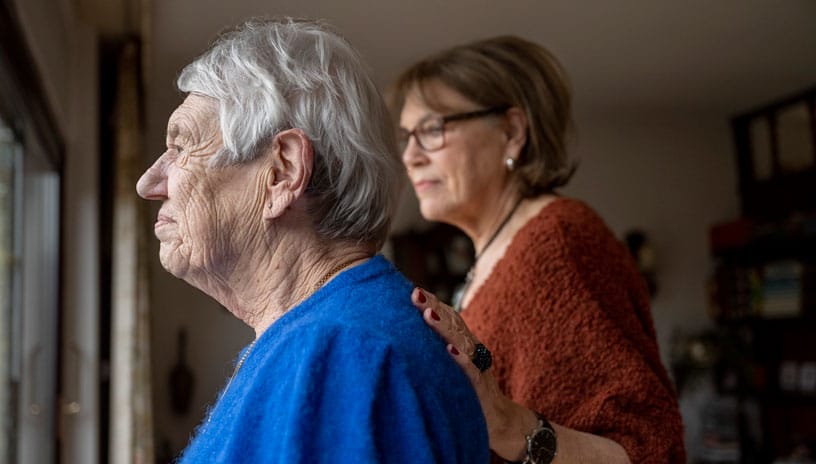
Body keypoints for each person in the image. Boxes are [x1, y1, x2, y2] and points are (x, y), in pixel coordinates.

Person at [136, 18, 488, 463]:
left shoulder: (338, 354)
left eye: (183, 147)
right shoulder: (320, 340)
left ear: (282, 173)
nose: (149, 183)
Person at [392, 36, 685, 463]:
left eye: (433, 129)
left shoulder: (559, 240)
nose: (411, 156)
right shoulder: (493, 257)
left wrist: (506, 424)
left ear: (511, 132)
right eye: (406, 137)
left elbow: (648, 448)